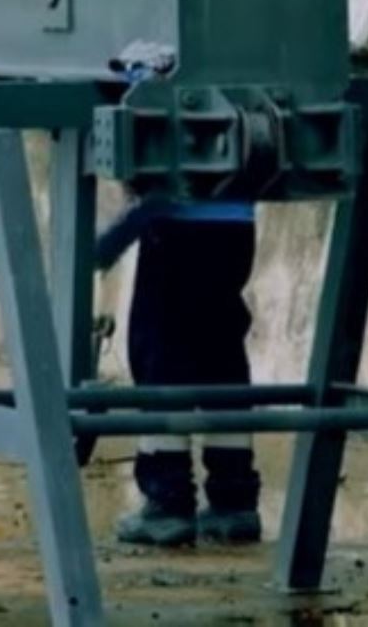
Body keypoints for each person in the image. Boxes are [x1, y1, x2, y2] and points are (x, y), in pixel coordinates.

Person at [112, 192, 263, 547]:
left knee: (159, 347)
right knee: (222, 348)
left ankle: (167, 498)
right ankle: (234, 499)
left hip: (173, 215)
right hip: (235, 219)